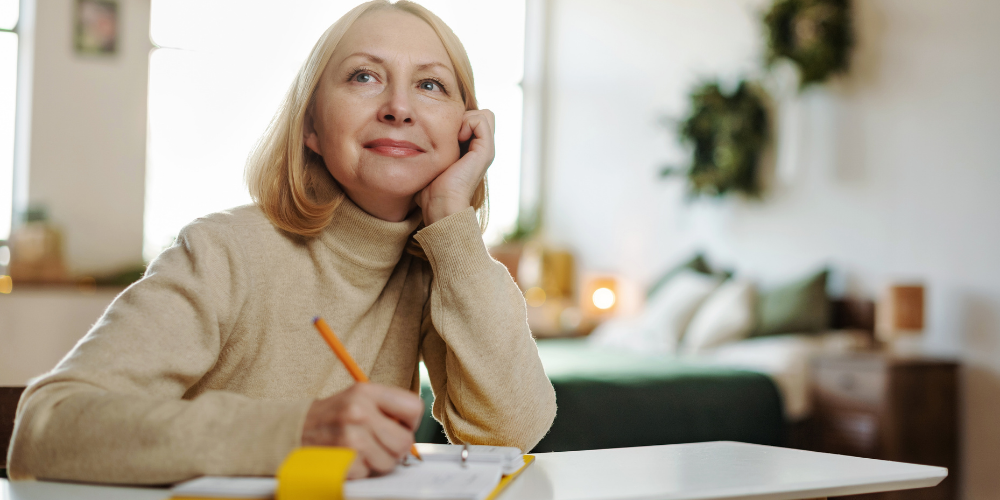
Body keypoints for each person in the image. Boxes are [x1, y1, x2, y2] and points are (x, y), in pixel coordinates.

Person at [7, 0, 556, 484]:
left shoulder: (437, 266)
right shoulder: (222, 251)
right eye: (364, 76)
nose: (399, 107)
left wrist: (452, 222)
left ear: (465, 131)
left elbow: (511, 432)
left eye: (430, 84)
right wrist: (297, 432)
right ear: (311, 125)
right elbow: (44, 428)